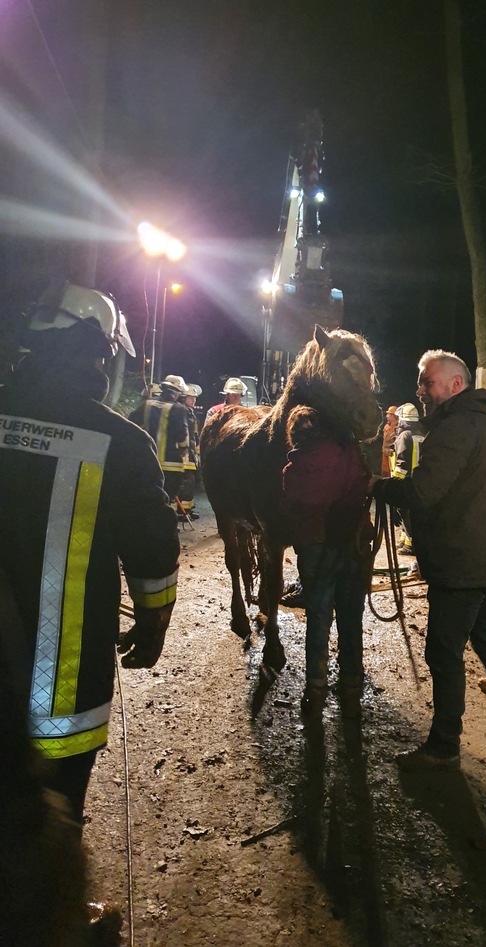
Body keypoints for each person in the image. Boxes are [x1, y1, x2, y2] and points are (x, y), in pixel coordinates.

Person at [0, 282, 179, 933]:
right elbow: (154, 548)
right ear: (95, 353)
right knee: (56, 796)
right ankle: (50, 916)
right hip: (63, 668)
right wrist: (154, 619)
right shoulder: (119, 441)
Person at [372, 350, 486, 768]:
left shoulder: (457, 427)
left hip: (464, 564)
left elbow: (422, 493)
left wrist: (376, 486)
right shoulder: (481, 424)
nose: (420, 390)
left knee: (443, 653)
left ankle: (445, 745)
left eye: (427, 383)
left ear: (455, 385)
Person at [282, 405, 373, 718]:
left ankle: (316, 690)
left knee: (319, 619)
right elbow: (363, 484)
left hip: (316, 550)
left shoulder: (294, 470)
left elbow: (296, 508)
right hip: (351, 545)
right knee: (351, 618)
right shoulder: (349, 452)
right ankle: (350, 691)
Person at [129, 374, 190, 513]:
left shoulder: (147, 404)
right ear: (177, 392)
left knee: (147, 493)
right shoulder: (179, 409)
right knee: (169, 497)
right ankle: (168, 526)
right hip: (171, 464)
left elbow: (132, 423)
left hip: (147, 459)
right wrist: (184, 450)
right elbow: (182, 435)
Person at [390, 401, 425, 561]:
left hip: (406, 482)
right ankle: (406, 542)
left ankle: (412, 545)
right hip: (420, 481)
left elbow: (402, 464)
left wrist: (393, 486)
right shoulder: (422, 434)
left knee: (404, 513)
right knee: (412, 514)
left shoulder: (404, 436)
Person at [178, 382, 202, 519]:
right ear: (183, 397)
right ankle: (182, 511)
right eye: (191, 397)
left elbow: (194, 435)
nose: (194, 400)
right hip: (184, 454)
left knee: (190, 483)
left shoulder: (190, 412)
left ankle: (186, 510)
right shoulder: (182, 411)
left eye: (195, 398)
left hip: (191, 453)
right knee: (186, 482)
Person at [380, 405, 399, 477]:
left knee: (392, 473)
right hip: (385, 454)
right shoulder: (386, 426)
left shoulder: (398, 427)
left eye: (388, 414)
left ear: (393, 415)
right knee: (385, 473)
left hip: (393, 456)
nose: (386, 416)